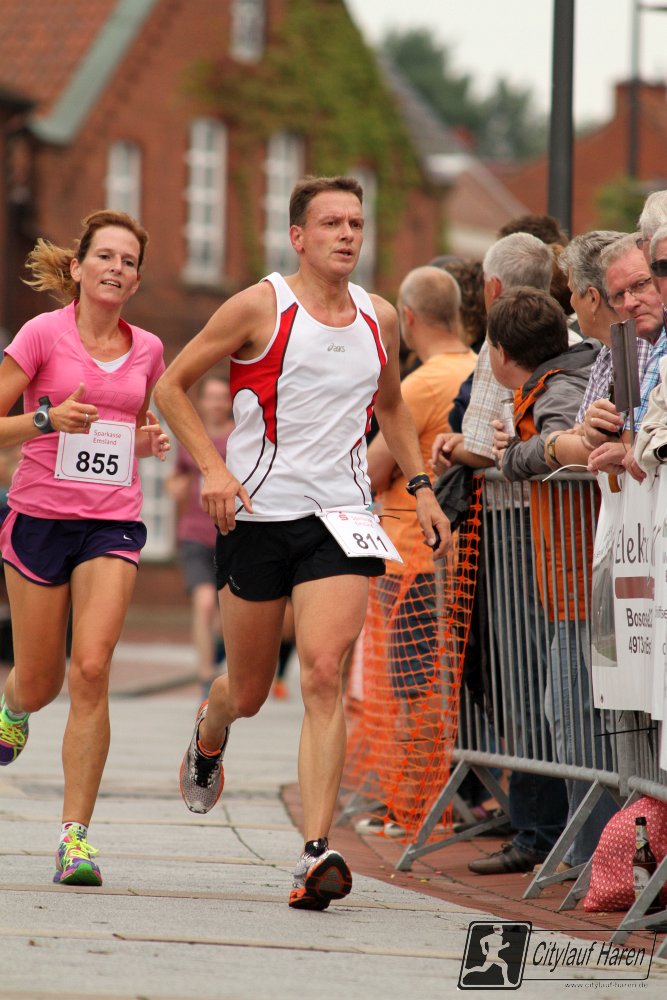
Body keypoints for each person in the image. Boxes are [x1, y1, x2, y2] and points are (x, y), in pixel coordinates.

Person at [154, 175, 449, 911]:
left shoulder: (379, 316)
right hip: (256, 517)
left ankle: (314, 853)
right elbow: (170, 386)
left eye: (355, 223)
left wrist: (420, 486)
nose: (347, 234)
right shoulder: (260, 306)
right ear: (297, 236)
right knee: (249, 691)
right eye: (330, 223)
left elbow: (389, 406)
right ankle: (211, 729)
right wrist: (213, 467)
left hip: (341, 519)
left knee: (322, 672)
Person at [0, 210, 168, 886]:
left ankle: (75, 839)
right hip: (39, 519)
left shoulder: (149, 350)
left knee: (91, 669)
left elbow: (131, 429)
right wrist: (47, 418)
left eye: (128, 261)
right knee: (40, 682)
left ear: (136, 280)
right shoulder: (42, 334)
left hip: (111, 524)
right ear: (77, 267)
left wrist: (145, 443)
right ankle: (14, 704)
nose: (116, 268)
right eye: (105, 256)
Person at [431, 233, 570, 876]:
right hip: (542, 522)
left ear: (492, 288)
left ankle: (539, 828)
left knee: (525, 680)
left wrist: (451, 448)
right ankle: (542, 822)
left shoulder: (502, 345)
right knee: (540, 676)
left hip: (517, 525)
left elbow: (489, 446)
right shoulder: (565, 334)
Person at [489, 287, 618, 874]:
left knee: (573, 717)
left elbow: (571, 449)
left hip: (583, 579)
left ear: (500, 351)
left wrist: (517, 454)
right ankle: (590, 852)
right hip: (574, 576)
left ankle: (595, 858)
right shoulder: (564, 378)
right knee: (565, 712)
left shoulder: (560, 388)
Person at [361, 266, 476, 835]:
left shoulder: (421, 383)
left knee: (412, 689)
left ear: (406, 318)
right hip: (462, 554)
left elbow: (374, 467)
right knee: (447, 685)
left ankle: (412, 804)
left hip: (412, 555)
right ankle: (433, 799)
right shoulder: (478, 366)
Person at [167, 376, 234, 698]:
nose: (217, 403)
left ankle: (220, 650)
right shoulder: (191, 436)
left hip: (231, 532)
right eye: (211, 397)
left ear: (230, 402)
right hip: (194, 533)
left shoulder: (240, 437)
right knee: (205, 602)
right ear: (202, 402)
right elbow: (177, 476)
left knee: (227, 612)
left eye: (223, 397)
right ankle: (206, 675)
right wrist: (175, 487)